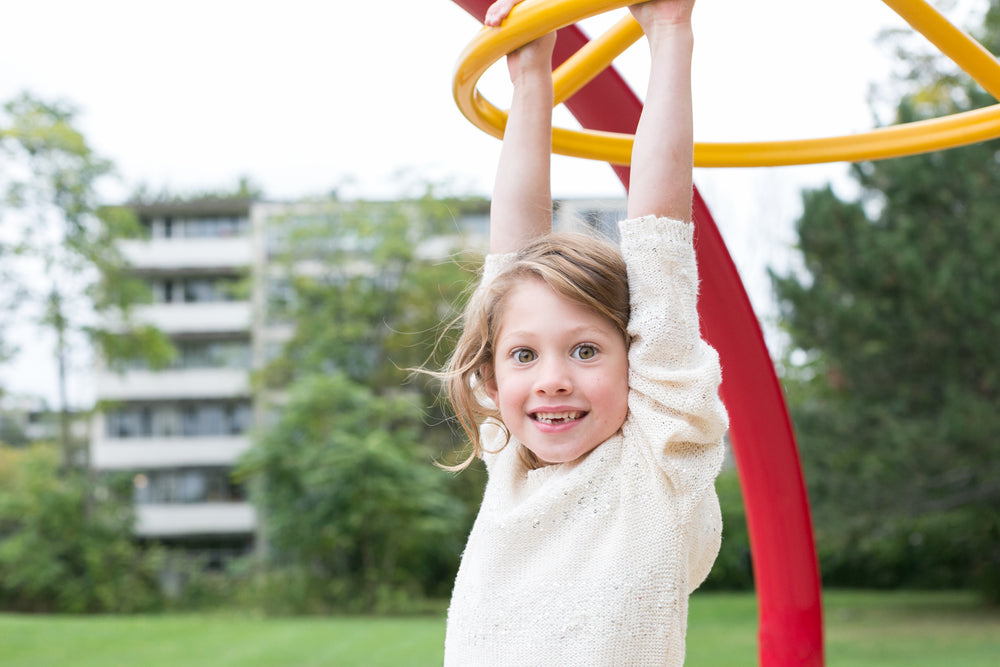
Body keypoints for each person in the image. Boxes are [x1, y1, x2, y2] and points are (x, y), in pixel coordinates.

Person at [441, 0, 728, 664]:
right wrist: (532, 73)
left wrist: (669, 33)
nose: (553, 378)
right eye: (523, 354)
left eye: (586, 349)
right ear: (490, 372)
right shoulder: (509, 457)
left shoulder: (659, 462)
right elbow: (510, 262)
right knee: (514, 285)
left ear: (639, 358)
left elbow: (659, 240)